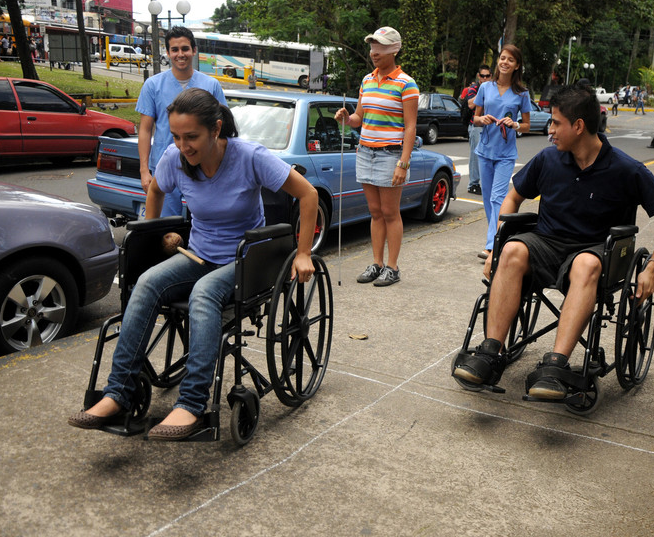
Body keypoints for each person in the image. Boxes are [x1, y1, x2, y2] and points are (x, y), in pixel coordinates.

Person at [68, 88, 319, 440]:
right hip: (198, 255)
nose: (183, 146)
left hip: (244, 262)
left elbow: (307, 194)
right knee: (147, 283)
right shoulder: (174, 157)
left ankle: (192, 404)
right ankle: (117, 394)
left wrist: (304, 252)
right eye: (176, 136)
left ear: (216, 130)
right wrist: (155, 235)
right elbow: (155, 190)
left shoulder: (250, 157)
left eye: (192, 137)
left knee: (204, 294)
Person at [451, 83, 654, 397]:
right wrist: (496, 244)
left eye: (556, 122)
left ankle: (556, 365)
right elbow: (512, 198)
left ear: (578, 126)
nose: (550, 130)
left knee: (586, 264)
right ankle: (491, 353)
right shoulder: (548, 159)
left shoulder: (627, 170)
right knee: (513, 249)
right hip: (547, 243)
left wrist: (651, 268)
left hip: (595, 250)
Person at [335, 27, 418, 287]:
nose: (374, 53)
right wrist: (347, 119)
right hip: (365, 152)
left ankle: (392, 267)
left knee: (390, 212)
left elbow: (410, 127)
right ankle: (377, 263)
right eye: (372, 47)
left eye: (380, 47)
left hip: (390, 154)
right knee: (375, 212)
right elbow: (359, 118)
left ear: (394, 49)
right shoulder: (367, 80)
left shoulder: (407, 83)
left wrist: (403, 163)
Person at [137, 26, 227, 218]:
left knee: (206, 221)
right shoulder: (153, 85)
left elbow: (223, 128)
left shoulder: (211, 85)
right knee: (165, 227)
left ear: (194, 51)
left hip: (203, 166)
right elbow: (145, 130)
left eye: (185, 49)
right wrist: (144, 170)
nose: (180, 54)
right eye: (175, 50)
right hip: (164, 165)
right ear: (168, 53)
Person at [472, 44, 531, 260]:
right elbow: (475, 119)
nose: (505, 62)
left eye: (511, 60)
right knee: (488, 199)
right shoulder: (485, 88)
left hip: (506, 154)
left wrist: (514, 124)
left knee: (498, 197)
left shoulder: (522, 93)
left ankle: (492, 245)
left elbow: (527, 125)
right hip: (485, 151)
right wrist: (483, 119)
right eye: (503, 58)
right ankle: (499, 237)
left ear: (517, 66)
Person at [461, 64, 492, 194]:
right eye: (483, 76)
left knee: (487, 155)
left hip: (489, 126)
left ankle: (486, 183)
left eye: (488, 76)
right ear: (479, 76)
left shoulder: (493, 88)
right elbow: (470, 104)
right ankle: (473, 184)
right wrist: (482, 91)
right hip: (476, 126)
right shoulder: (474, 88)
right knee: (475, 155)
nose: (485, 78)